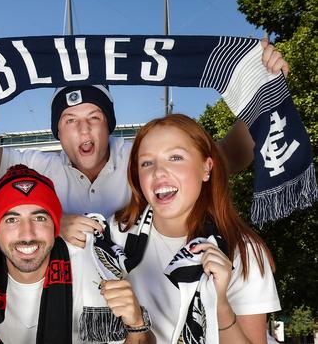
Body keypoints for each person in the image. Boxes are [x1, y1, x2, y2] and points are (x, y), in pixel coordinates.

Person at [0, 38, 289, 248]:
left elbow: (229, 156)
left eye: (94, 117)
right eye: (70, 121)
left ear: (110, 126)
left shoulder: (144, 154)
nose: (83, 130)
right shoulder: (35, 165)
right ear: (57, 133)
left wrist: (265, 86)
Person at [0, 164, 155, 344]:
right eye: (11, 220)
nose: (27, 234)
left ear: (56, 226)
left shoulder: (95, 266)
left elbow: (140, 339)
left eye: (40, 218)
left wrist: (137, 325)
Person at [108, 114, 280, 343]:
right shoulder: (116, 235)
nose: (158, 172)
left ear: (206, 168)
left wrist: (220, 304)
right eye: (146, 162)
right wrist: (137, 326)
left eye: (175, 157)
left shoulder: (244, 250)